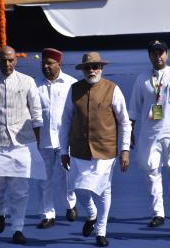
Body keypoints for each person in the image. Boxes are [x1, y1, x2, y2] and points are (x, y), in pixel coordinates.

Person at [0, 45, 46, 244]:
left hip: (22, 144)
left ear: (16, 60)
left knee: (20, 190)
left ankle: (18, 229)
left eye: (11, 60)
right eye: (3, 60)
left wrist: (38, 142)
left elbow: (37, 114)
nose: (7, 64)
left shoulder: (27, 81)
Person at [60, 52, 131, 247]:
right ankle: (91, 213)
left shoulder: (112, 89)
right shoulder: (74, 90)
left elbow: (124, 122)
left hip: (105, 149)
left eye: (95, 67)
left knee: (104, 190)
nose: (91, 70)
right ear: (82, 70)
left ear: (102, 68)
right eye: (87, 67)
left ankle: (101, 231)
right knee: (80, 189)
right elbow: (65, 120)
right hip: (79, 149)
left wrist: (124, 149)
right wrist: (63, 151)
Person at [128, 40, 170, 227]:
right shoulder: (142, 79)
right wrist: (130, 131)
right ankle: (158, 212)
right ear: (149, 55)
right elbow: (133, 108)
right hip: (149, 134)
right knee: (151, 171)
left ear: (167, 54)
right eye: (154, 53)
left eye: (161, 52)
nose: (158, 56)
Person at [35, 48, 78, 229]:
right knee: (43, 179)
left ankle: (70, 204)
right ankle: (48, 214)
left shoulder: (72, 84)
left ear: (59, 64)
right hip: (42, 140)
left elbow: (77, 113)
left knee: (67, 176)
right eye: (43, 63)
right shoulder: (35, 85)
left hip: (64, 140)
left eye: (49, 63)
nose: (45, 66)